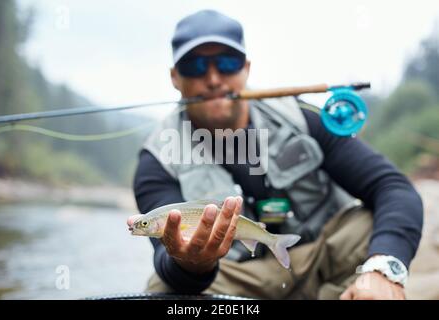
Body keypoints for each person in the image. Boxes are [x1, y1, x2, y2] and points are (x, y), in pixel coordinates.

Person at [129, 9, 423, 299]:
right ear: (174, 77)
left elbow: (392, 187)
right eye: (194, 67)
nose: (213, 78)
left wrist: (384, 269)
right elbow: (166, 261)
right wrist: (192, 264)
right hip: (235, 278)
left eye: (227, 63)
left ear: (246, 68)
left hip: (323, 256)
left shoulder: (302, 118)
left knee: (370, 222)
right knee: (163, 289)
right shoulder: (157, 159)